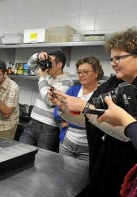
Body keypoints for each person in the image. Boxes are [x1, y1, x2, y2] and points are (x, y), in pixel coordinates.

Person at [48, 28, 137, 197]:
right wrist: (65, 109)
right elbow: (92, 119)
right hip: (102, 163)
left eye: (119, 57)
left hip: (123, 170)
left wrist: (85, 107)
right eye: (111, 58)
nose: (113, 62)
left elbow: (128, 133)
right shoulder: (111, 84)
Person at [19, 51, 73, 152]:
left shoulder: (67, 82)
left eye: (50, 63)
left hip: (48, 126)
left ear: (59, 65)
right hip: (33, 121)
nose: (47, 65)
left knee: (42, 159)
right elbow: (31, 65)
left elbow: (50, 101)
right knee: (20, 151)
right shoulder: (47, 75)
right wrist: (38, 55)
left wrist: (42, 78)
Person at [54, 56, 104, 161]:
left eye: (85, 72)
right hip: (67, 142)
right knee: (65, 173)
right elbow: (57, 113)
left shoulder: (102, 94)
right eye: (79, 72)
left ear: (96, 73)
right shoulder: (73, 90)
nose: (81, 75)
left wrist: (70, 122)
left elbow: (100, 123)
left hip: (88, 146)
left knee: (83, 176)